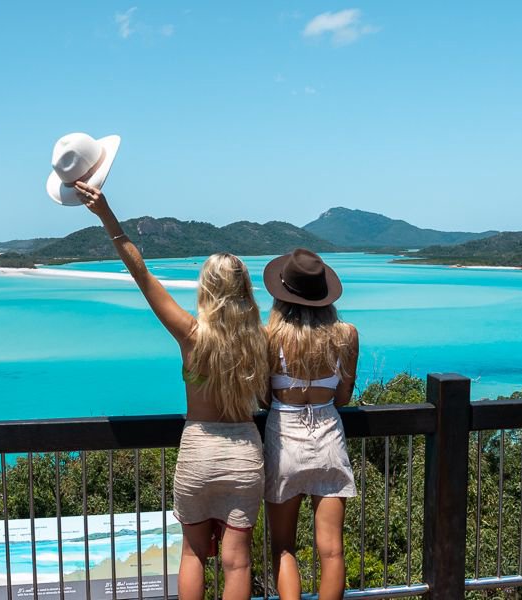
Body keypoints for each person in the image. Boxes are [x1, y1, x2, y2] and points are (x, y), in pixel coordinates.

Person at [75, 180, 269, 600]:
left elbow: (141, 274)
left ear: (208, 289)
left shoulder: (192, 334)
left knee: (194, 555)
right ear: (244, 290)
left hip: (198, 449)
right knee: (238, 560)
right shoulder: (261, 339)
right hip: (244, 453)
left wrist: (107, 215)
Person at [261, 248, 359, 600]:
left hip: (284, 440)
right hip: (329, 439)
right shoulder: (346, 335)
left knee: (284, 547)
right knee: (332, 550)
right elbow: (343, 397)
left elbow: (262, 397)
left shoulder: (268, 336)